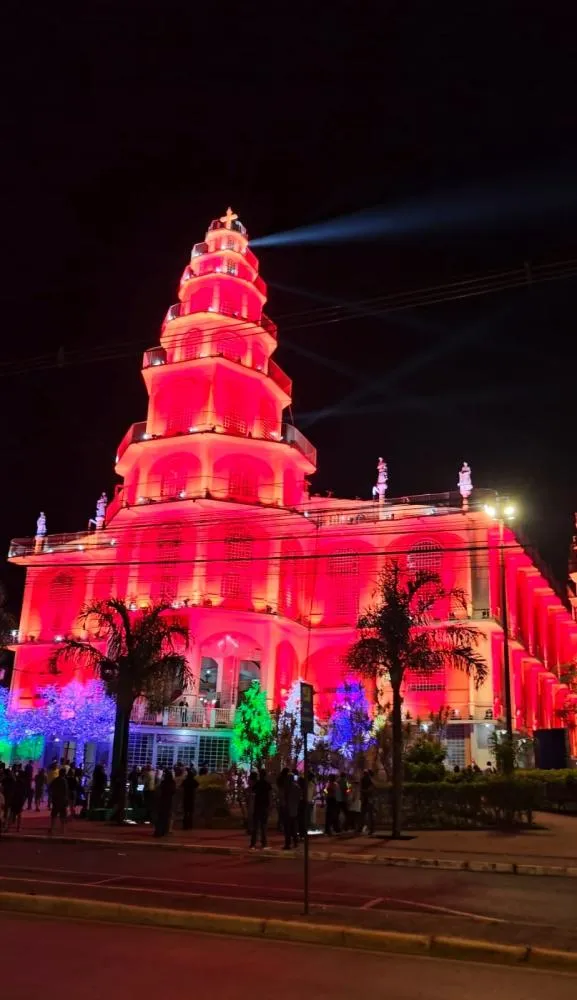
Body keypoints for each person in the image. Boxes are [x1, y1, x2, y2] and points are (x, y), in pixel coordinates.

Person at [250, 769, 271, 849]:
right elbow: (269, 795)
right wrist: (270, 805)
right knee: (263, 826)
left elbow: (252, 792)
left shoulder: (257, 784)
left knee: (255, 826)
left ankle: (253, 843)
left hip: (257, 806)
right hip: (264, 806)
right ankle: (264, 843)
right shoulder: (267, 784)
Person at [153, 769, 176, 837]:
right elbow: (173, 791)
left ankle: (158, 831)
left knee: (160, 817)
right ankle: (163, 831)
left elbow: (159, 790)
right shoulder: (172, 783)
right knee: (166, 817)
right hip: (168, 801)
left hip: (162, 800)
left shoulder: (163, 782)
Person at [283, 773, 300, 850]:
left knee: (287, 828)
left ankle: (288, 844)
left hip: (288, 809)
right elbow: (299, 798)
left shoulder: (287, 787)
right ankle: (295, 842)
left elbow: (285, 798)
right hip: (294, 809)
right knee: (293, 827)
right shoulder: (297, 787)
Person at [49, 768, 69, 835]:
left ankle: (52, 829)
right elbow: (66, 791)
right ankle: (63, 830)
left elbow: (50, 788)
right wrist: (66, 800)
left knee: (54, 815)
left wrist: (52, 795)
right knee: (62, 815)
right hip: (62, 800)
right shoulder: (64, 781)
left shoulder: (55, 780)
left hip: (56, 799)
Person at [360, 769, 375, 835]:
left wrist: (363, 791)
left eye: (365, 773)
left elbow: (370, 789)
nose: (364, 775)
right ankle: (369, 828)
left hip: (368, 798)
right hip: (367, 799)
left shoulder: (369, 780)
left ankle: (370, 829)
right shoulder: (367, 780)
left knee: (368, 814)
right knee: (366, 814)